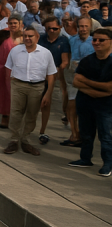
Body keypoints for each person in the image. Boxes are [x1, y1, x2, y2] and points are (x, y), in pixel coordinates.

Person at [3, 26, 56, 156]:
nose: (27, 38)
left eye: (30, 36)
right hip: (18, 85)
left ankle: (25, 140)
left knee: (32, 114)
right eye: (25, 35)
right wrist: (9, 85)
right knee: (15, 113)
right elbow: (8, 68)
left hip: (37, 87)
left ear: (37, 37)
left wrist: (48, 93)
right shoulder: (15, 51)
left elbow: (51, 74)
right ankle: (14, 140)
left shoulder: (46, 53)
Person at [68, 27, 112, 177]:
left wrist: (86, 83)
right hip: (86, 103)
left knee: (105, 135)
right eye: (94, 40)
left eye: (101, 40)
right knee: (86, 133)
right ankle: (85, 159)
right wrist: (99, 90)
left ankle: (107, 164)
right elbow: (76, 81)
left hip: (105, 106)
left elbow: (110, 87)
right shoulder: (87, 60)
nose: (96, 42)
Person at [0, 16, 23, 129]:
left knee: (18, 96)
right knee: (5, 94)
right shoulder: (4, 35)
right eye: (11, 23)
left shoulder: (24, 37)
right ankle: (5, 119)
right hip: (3, 68)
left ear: (20, 24)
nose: (13, 25)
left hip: (19, 69)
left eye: (15, 23)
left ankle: (17, 122)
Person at [37, 17, 70, 145]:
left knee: (46, 104)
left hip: (54, 75)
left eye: (54, 28)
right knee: (33, 104)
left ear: (60, 27)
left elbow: (65, 61)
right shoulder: (41, 38)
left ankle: (42, 130)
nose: (51, 31)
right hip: (38, 74)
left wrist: (55, 72)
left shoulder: (63, 41)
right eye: (48, 28)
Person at [63, 20, 95, 147]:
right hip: (73, 74)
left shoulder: (95, 40)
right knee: (72, 105)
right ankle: (74, 134)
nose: (83, 29)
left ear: (90, 27)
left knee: (86, 108)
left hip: (89, 76)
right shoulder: (71, 40)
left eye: (86, 26)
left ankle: (84, 135)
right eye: (81, 26)